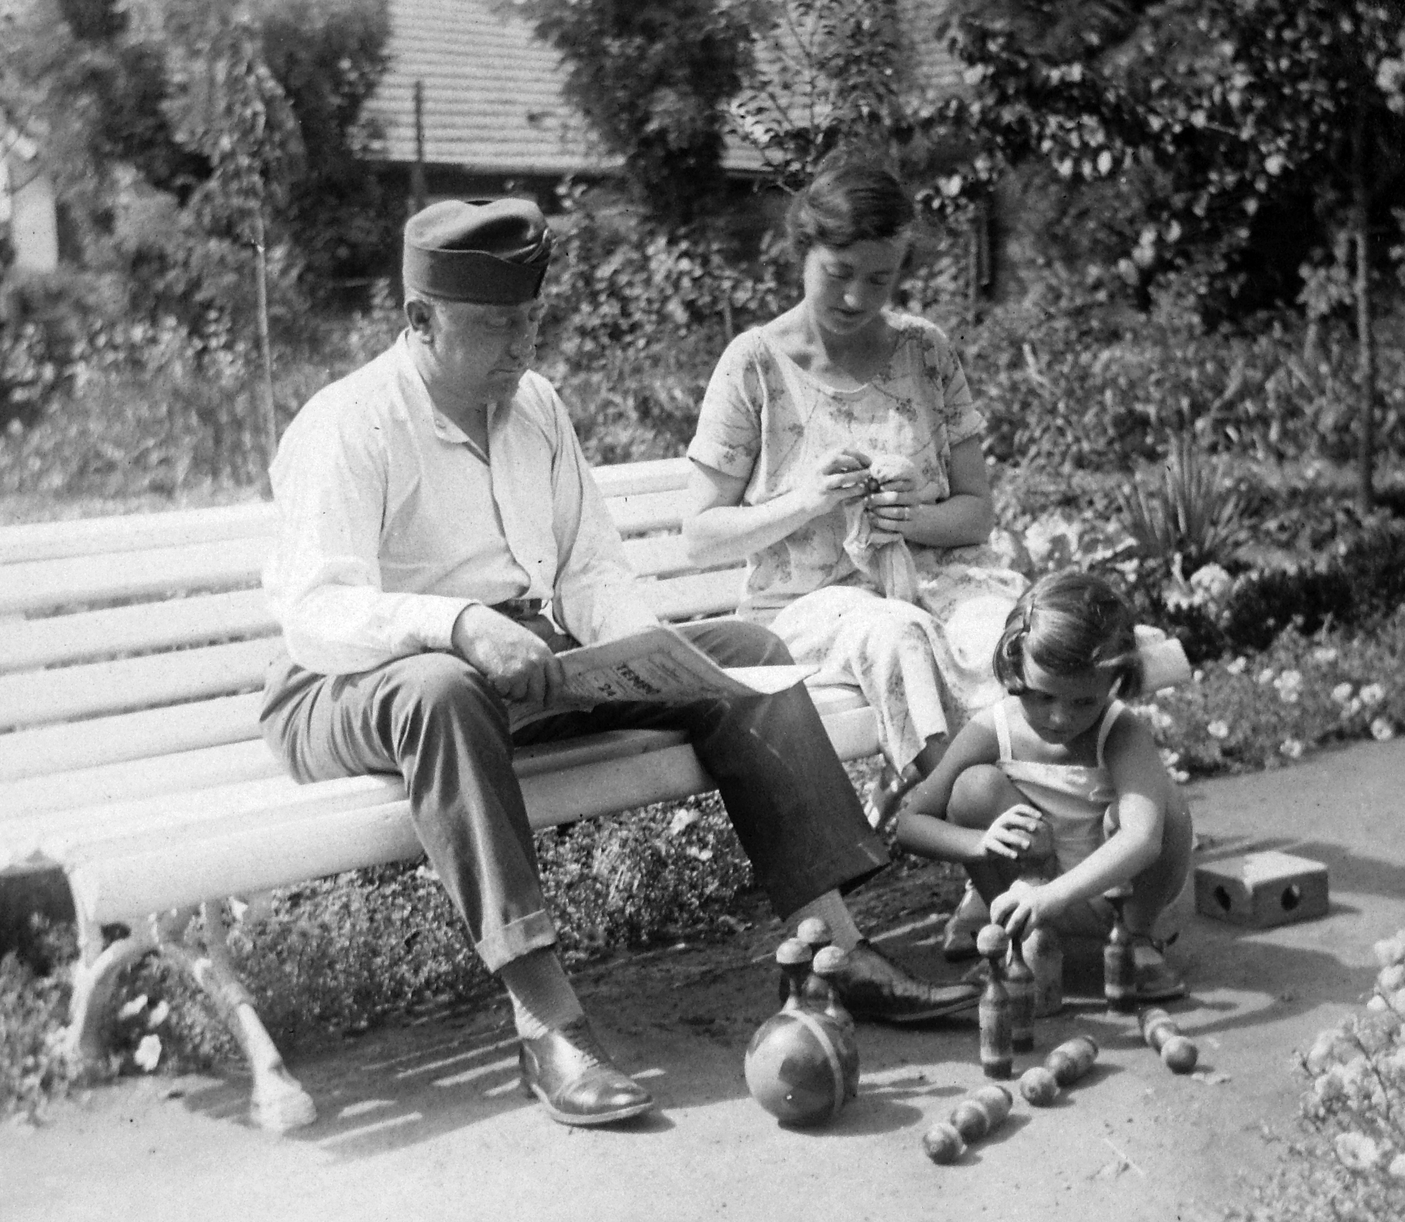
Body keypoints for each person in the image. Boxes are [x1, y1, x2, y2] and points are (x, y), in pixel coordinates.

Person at [259, 196, 977, 1130]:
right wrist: (460, 625)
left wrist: (644, 654)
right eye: (492, 328)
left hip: (518, 665)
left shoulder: (535, 408)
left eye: (529, 322)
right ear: (418, 321)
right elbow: (316, 611)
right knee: (442, 689)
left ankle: (836, 947)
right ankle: (548, 1021)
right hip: (351, 685)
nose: (519, 350)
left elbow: (592, 568)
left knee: (750, 659)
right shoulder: (349, 423)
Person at [682, 157, 1026, 830]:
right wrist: (806, 501)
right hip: (808, 606)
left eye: (880, 278)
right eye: (838, 274)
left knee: (1005, 635)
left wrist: (910, 518)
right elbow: (699, 535)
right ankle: (987, 839)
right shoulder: (755, 365)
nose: (855, 299)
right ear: (802, 250)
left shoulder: (924, 352)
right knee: (896, 635)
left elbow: (976, 512)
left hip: (934, 580)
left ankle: (1020, 830)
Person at [893, 569, 1194, 1001]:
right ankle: (1025, 941)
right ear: (1015, 667)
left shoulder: (1119, 731)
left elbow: (1143, 840)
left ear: (1114, 683)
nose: (1059, 718)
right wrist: (982, 843)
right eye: (1042, 696)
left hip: (1118, 894)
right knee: (973, 787)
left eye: (1083, 701)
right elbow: (910, 824)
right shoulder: (992, 729)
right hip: (1030, 894)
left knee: (1158, 802)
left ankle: (1137, 942)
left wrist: (1054, 896)